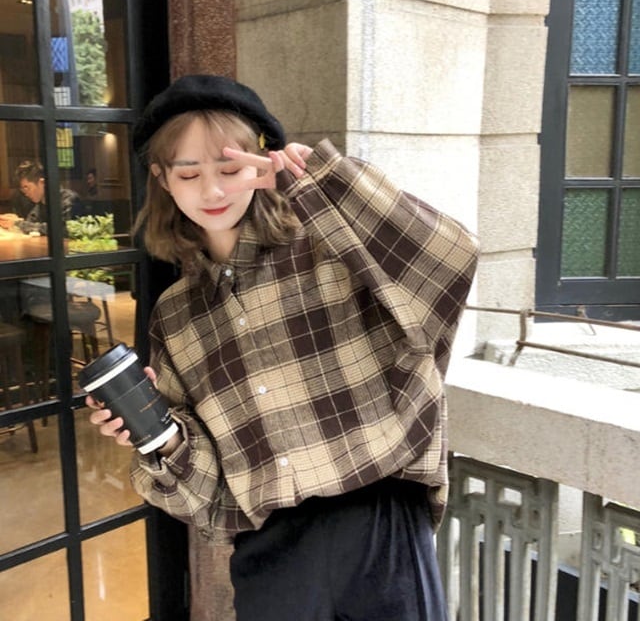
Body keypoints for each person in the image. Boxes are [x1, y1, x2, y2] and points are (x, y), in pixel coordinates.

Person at [87, 74, 479, 620]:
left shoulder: (332, 249)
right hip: (271, 552)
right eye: (189, 173)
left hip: (378, 523)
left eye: (229, 169)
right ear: (163, 178)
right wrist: (161, 439)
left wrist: (318, 176)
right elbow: (207, 491)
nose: (213, 191)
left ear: (260, 160)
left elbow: (450, 260)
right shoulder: (176, 316)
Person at [0, 160, 79, 235]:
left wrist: (18, 224)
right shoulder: (40, 204)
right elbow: (30, 224)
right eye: (22, 189)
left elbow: (62, 229)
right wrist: (15, 221)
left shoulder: (68, 199)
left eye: (26, 187)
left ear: (42, 183)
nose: (25, 193)